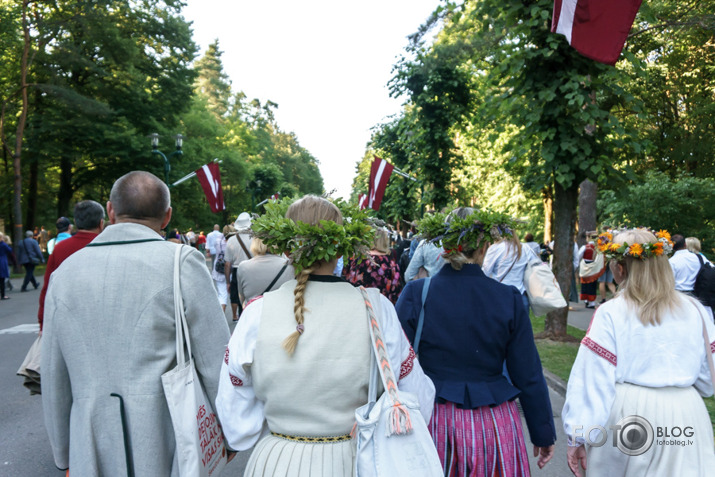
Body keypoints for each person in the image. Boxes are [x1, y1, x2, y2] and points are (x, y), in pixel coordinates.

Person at [215, 195, 435, 476]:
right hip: (355, 459)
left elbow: (235, 416)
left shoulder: (256, 312)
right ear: (341, 248)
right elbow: (417, 396)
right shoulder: (376, 308)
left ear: (286, 249)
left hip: (277, 462)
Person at [41, 171, 231, 475]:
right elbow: (216, 358)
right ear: (167, 216)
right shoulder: (181, 262)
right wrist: (226, 432)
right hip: (166, 433)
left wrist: (64, 452)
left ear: (111, 210)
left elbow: (53, 371)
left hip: (89, 438)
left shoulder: (65, 273)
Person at [395, 207, 556, 475]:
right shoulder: (508, 298)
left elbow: (394, 362)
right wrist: (542, 432)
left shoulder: (416, 293)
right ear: (484, 246)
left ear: (444, 244)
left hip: (433, 421)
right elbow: (527, 373)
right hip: (493, 424)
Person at [563, 228, 715, 477]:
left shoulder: (611, 312)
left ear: (620, 269)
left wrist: (579, 434)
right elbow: (709, 380)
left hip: (630, 416)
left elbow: (593, 380)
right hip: (686, 414)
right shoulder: (695, 310)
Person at [38, 200, 105, 332]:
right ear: (101, 223)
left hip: (67, 320)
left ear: (75, 222)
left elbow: (48, 288)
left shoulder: (60, 248)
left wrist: (43, 322)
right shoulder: (108, 246)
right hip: (101, 318)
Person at [343, 227, 403, 304]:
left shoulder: (354, 259)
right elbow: (396, 293)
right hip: (380, 308)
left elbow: (346, 280)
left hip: (357, 306)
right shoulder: (391, 265)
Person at [483, 231, 539, 311]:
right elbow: (536, 265)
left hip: (500, 296)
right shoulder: (525, 248)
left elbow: (485, 273)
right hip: (520, 296)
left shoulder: (495, 248)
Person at [235, 237, 293, 305]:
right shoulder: (289, 266)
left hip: (254, 312)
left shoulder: (243, 267)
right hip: (278, 311)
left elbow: (241, 297)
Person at [224, 212, 253, 321]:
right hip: (252, 268)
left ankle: (240, 318)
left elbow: (227, 264)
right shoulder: (254, 238)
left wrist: (228, 281)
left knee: (237, 297)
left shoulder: (231, 240)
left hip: (237, 270)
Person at [578, 238, 604, 309]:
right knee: (592, 284)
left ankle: (586, 300)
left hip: (585, 266)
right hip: (594, 267)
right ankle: (591, 302)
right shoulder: (598, 248)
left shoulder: (584, 247)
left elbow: (579, 256)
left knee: (585, 283)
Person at [211, 224, 230, 312]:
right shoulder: (232, 242)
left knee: (221, 294)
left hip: (219, 268)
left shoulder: (218, 240)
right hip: (230, 269)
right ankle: (235, 314)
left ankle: (221, 314)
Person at [0, 232, 17, 300]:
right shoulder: (3, 245)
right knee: (2, 280)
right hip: (2, 262)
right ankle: (3, 295)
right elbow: (10, 250)